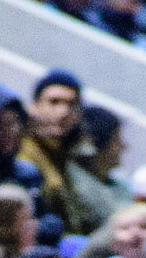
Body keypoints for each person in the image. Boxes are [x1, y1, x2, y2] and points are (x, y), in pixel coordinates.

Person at [18, 69, 102, 237]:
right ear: (34, 106)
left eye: (72, 105)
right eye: (54, 102)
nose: (63, 112)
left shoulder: (66, 156)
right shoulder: (21, 150)